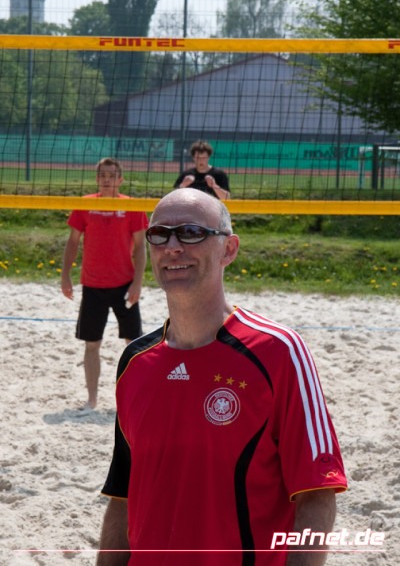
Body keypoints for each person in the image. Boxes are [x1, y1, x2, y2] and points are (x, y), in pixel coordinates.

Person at [97, 188, 347, 566]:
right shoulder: (135, 362)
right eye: (159, 234)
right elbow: (123, 496)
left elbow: (316, 493)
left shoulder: (278, 351)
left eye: (191, 233)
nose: (172, 246)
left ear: (229, 250)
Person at [61, 157, 148, 411]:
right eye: (102, 175)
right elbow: (73, 242)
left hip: (124, 285)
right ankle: (92, 400)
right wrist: (65, 275)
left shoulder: (132, 206)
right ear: (97, 179)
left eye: (111, 175)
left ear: (120, 180)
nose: (107, 179)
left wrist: (137, 283)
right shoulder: (85, 204)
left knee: (135, 345)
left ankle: (137, 399)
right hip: (93, 285)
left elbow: (141, 247)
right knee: (91, 344)